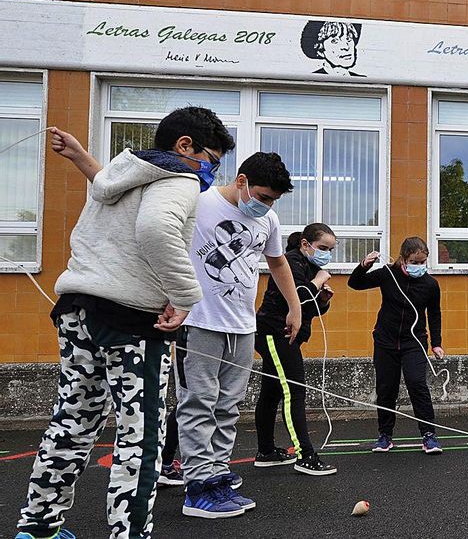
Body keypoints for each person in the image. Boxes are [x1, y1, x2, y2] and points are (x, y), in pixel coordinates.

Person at [15, 109, 232, 539]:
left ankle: (39, 527)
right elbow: (156, 230)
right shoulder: (180, 178)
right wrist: (186, 295)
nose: (211, 171)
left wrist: (81, 157)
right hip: (131, 321)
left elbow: (106, 187)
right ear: (185, 146)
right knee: (141, 436)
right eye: (212, 158)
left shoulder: (124, 169)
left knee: (72, 420)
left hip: (77, 308)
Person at [176, 152, 300, 519]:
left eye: (273, 201)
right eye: (262, 197)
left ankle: (216, 474)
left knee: (228, 407)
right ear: (242, 180)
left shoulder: (269, 220)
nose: (265, 206)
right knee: (198, 403)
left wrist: (295, 307)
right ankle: (197, 489)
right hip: (198, 322)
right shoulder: (199, 203)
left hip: (243, 326)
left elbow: (277, 262)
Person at [252, 223, 338, 476]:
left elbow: (308, 308)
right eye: (322, 247)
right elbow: (298, 297)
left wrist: (323, 301)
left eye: (331, 250)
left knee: (271, 392)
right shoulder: (290, 262)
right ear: (305, 244)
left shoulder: (310, 266)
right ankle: (305, 455)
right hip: (275, 333)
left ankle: (266, 452)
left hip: (289, 335)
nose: (326, 254)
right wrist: (319, 281)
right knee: (294, 391)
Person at [348, 237, 446, 455]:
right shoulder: (387, 274)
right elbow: (355, 284)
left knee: (417, 384)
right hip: (385, 340)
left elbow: (435, 314)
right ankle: (385, 436)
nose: (419, 266)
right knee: (386, 388)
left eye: (423, 262)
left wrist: (436, 343)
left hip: (414, 341)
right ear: (403, 258)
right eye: (414, 261)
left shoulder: (431, 284)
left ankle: (429, 435)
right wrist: (363, 266)